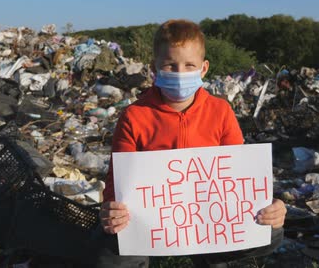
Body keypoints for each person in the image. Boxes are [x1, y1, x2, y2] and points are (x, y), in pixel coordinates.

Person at [95, 19, 286, 267]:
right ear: (155, 68)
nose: (180, 73)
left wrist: (269, 205)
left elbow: (240, 176)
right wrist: (112, 209)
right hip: (151, 224)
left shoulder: (220, 111)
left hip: (208, 221)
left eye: (189, 65)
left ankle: (211, 256)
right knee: (110, 246)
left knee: (271, 233)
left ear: (204, 68)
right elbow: (116, 179)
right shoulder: (134, 115)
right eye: (170, 65)